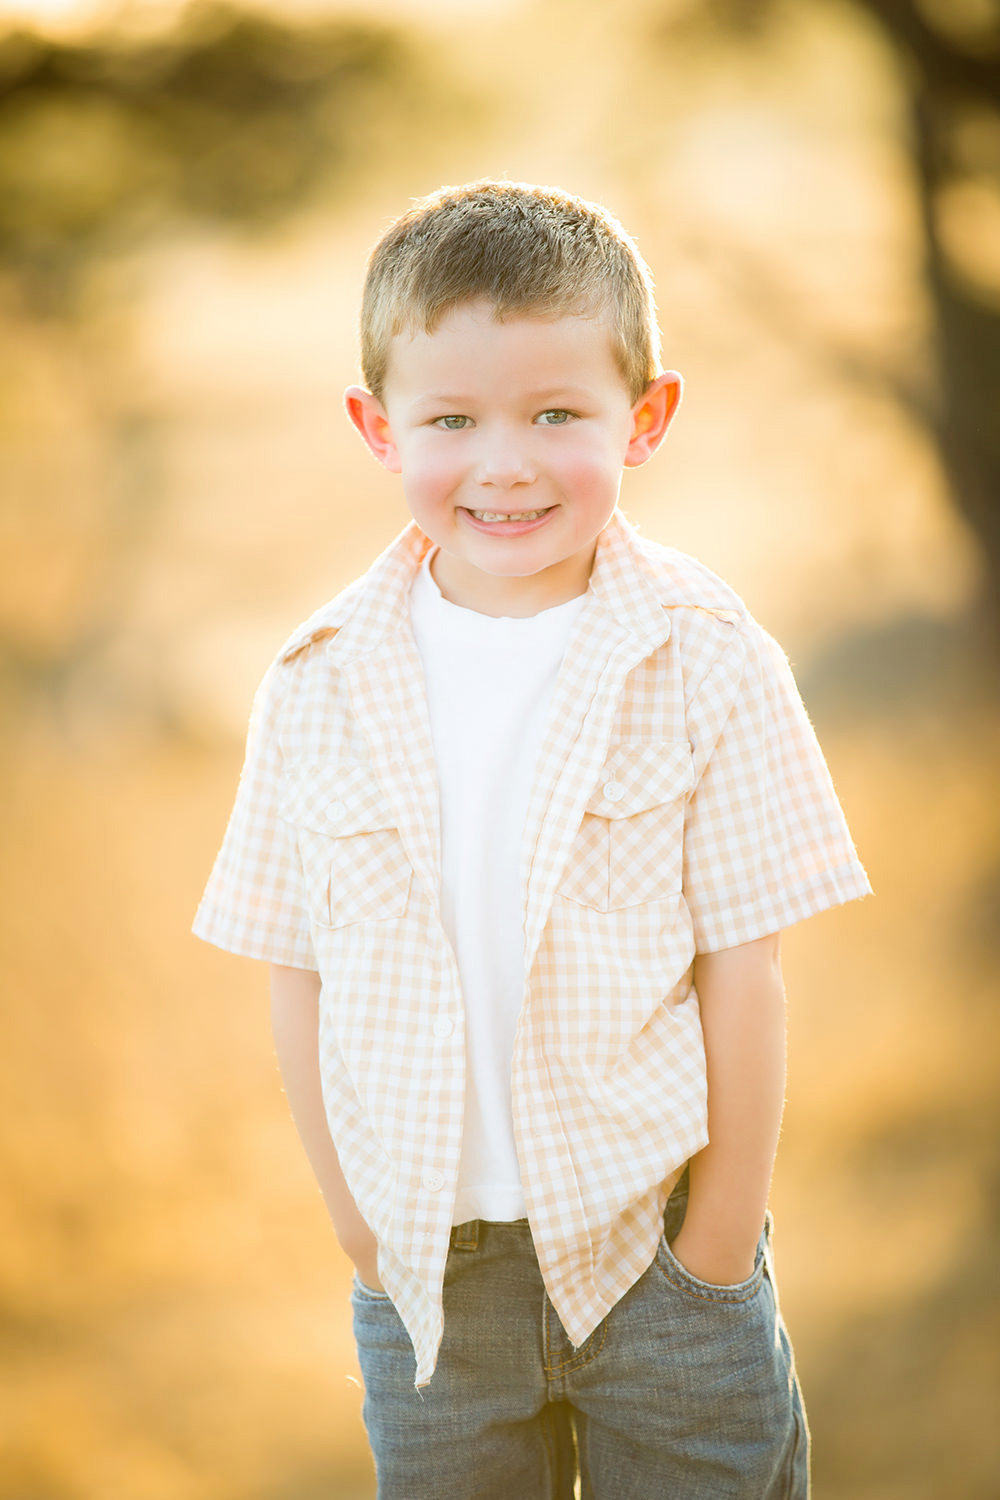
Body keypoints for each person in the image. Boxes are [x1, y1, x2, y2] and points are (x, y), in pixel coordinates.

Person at [194, 179, 871, 1499]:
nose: (505, 463)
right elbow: (298, 971)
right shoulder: (318, 677)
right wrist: (357, 1225)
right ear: (378, 428)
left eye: (558, 415)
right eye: (452, 420)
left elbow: (747, 967)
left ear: (648, 415)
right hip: (431, 1286)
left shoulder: (706, 658)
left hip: (657, 1251)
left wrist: (718, 1246)